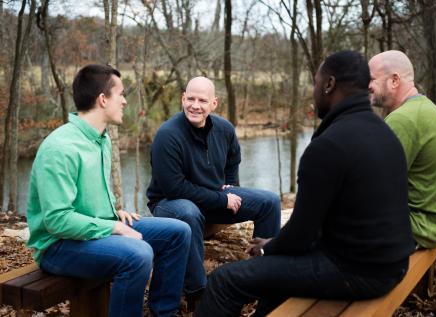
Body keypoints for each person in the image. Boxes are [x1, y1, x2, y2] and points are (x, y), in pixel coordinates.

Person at [194, 51, 415, 317]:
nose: (314, 91)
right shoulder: (384, 133)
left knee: (223, 281)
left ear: (329, 84)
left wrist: (268, 247)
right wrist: (275, 246)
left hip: (358, 272)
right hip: (391, 263)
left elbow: (301, 234)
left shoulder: (329, 145)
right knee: (275, 270)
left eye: (316, 83)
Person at [26, 64, 191, 317]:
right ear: (103, 99)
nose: (125, 101)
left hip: (95, 230)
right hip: (58, 246)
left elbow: (87, 200)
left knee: (178, 232)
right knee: (138, 254)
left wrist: (113, 214)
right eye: (121, 94)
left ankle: (163, 312)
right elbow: (58, 221)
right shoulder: (60, 148)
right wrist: (114, 227)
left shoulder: (101, 139)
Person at [146, 76, 281, 309]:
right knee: (189, 213)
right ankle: (199, 294)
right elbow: (174, 188)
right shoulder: (168, 135)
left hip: (212, 199)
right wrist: (221, 198)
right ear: (182, 98)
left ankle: (263, 278)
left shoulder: (225, 129)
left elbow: (232, 160)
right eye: (190, 98)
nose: (195, 105)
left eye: (202, 100)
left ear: (214, 104)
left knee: (270, 201)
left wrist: (229, 184)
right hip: (170, 203)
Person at [368, 50, 436, 249]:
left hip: (421, 228)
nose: (366, 86)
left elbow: (374, 186)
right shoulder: (424, 108)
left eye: (371, 79)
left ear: (394, 80)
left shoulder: (403, 119)